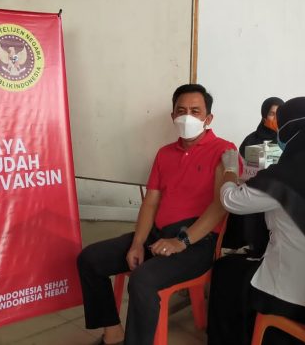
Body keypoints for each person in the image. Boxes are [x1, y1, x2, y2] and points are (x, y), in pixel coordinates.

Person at [77, 83, 237, 345]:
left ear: (208, 118)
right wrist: (138, 243)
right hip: (158, 235)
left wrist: (181, 241)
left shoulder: (224, 151)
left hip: (197, 242)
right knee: (90, 259)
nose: (187, 117)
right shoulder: (164, 154)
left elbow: (220, 206)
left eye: (195, 111)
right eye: (181, 111)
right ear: (173, 116)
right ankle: (113, 333)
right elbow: (150, 202)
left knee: (142, 281)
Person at [207, 96, 305, 345]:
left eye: (281, 127)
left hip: (301, 302)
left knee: (226, 271)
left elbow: (230, 200)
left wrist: (229, 170)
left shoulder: (283, 180)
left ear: (292, 132)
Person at [223, 96, 283, 252]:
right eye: (272, 114)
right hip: (252, 191)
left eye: (279, 114)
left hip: (276, 194)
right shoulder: (251, 139)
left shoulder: (286, 139)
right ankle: (251, 248)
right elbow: (241, 165)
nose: (276, 119)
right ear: (264, 116)